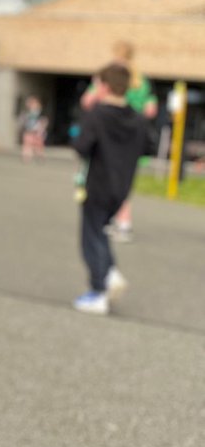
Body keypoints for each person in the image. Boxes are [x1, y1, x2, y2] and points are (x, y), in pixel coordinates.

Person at [71, 62, 149, 315]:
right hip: (122, 187)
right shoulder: (138, 119)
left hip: (98, 184)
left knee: (90, 236)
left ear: (104, 86)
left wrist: (86, 111)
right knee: (101, 231)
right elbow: (148, 146)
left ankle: (98, 291)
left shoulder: (97, 114)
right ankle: (110, 272)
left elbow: (81, 146)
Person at [80, 41, 156, 241]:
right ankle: (122, 222)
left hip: (108, 138)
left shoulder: (108, 77)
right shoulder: (141, 80)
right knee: (123, 181)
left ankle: (111, 222)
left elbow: (87, 101)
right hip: (131, 139)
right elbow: (150, 110)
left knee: (103, 182)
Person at [18, 95, 47, 161]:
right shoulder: (25, 113)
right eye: (30, 104)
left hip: (37, 131)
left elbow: (44, 121)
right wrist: (21, 126)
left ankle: (40, 155)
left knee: (38, 145)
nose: (31, 105)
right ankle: (26, 156)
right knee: (27, 144)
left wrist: (42, 129)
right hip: (28, 130)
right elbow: (22, 120)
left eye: (33, 103)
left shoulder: (40, 113)